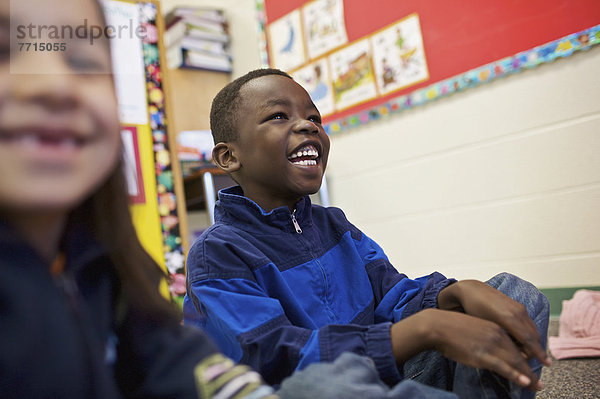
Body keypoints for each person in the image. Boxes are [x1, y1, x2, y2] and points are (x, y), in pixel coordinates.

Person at [182, 68, 552, 398]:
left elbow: (395, 297)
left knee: (514, 293)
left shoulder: (336, 226)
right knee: (328, 386)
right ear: (229, 157)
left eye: (315, 117)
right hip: (302, 388)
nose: (309, 125)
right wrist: (422, 331)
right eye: (279, 116)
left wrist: (450, 295)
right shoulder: (217, 254)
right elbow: (274, 356)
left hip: (375, 376)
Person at [0, 0, 281, 397]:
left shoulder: (108, 269)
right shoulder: (221, 253)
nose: (54, 84)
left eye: (83, 63)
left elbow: (188, 371)